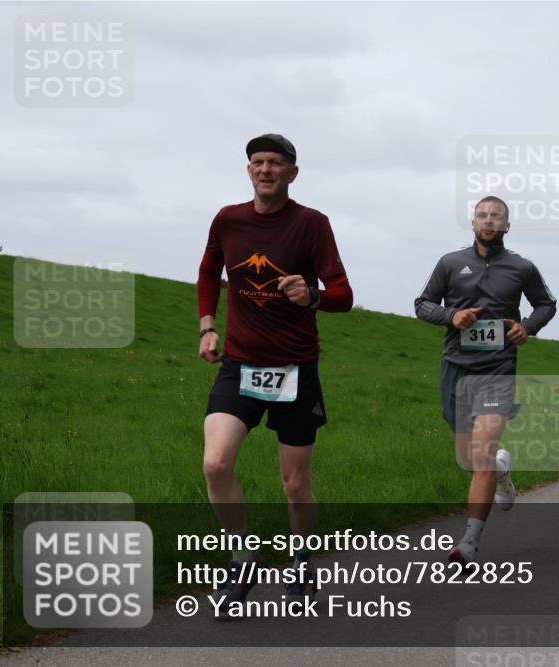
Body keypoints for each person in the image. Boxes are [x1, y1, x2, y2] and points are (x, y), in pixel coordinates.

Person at [197, 134, 353, 610]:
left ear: (292, 173)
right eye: (258, 162)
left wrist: (312, 295)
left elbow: (343, 295)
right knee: (215, 463)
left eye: (276, 163)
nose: (265, 170)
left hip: (295, 370)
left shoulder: (312, 224)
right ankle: (242, 558)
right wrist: (207, 327)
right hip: (239, 364)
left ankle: (303, 561)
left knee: (294, 483)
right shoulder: (228, 219)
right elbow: (208, 271)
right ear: (249, 170)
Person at [415, 195, 556, 565]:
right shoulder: (450, 263)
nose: (489, 221)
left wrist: (527, 327)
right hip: (455, 369)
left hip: (498, 370)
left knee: (481, 453)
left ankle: (469, 542)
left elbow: (546, 304)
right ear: (473, 222)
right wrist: (452, 317)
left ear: (507, 225)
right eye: (482, 215)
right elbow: (422, 303)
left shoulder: (521, 267)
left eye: (496, 216)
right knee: (469, 457)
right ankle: (503, 471)